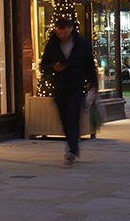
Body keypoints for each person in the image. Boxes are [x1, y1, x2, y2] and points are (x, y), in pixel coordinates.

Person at [40, 18, 99, 166]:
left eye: (65, 33)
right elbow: (43, 65)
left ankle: (72, 150)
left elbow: (90, 66)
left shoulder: (81, 44)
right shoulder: (53, 44)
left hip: (76, 86)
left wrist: (94, 86)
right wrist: (54, 67)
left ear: (71, 29)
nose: (62, 36)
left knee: (73, 117)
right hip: (60, 87)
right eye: (59, 33)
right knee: (64, 119)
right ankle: (73, 145)